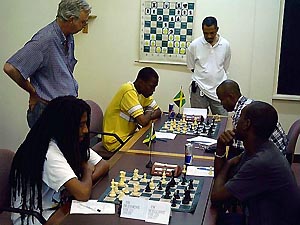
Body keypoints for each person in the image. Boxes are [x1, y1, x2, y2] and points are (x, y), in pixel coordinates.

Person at [10, 96, 109, 225]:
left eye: (85, 123)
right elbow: (83, 193)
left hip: (57, 206)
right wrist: (86, 172)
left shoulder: (68, 141)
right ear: (64, 126)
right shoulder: (48, 152)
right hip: (34, 216)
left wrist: (82, 183)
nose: (85, 130)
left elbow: (104, 165)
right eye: (80, 125)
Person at [3, 0, 91, 128]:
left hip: (64, 108)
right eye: (83, 22)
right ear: (71, 20)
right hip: (47, 110)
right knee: (48, 148)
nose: (84, 25)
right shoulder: (45, 40)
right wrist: (33, 92)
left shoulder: (68, 37)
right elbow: (10, 68)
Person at [211, 101, 300, 225]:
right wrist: (220, 148)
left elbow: (216, 197)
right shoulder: (259, 147)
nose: (236, 123)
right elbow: (225, 181)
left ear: (247, 124)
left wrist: (228, 163)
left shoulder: (261, 162)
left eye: (240, 118)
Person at [216, 79, 288, 158]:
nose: (221, 103)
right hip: (278, 153)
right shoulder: (247, 103)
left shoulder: (242, 113)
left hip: (271, 159)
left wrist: (220, 148)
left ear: (231, 96)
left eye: (221, 99)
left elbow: (240, 150)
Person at [103, 67, 162, 153]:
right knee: (147, 152)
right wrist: (149, 110)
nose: (153, 90)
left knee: (152, 145)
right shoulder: (128, 91)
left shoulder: (143, 93)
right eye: (151, 86)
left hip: (129, 136)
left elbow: (158, 111)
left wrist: (148, 114)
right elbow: (143, 121)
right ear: (141, 83)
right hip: (115, 141)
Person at [186, 16, 231, 115]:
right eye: (206, 33)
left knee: (222, 120)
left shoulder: (225, 45)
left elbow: (225, 67)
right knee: (198, 122)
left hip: (219, 90)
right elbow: (191, 67)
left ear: (217, 30)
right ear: (202, 30)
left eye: (212, 33)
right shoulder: (194, 45)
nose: (209, 36)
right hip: (199, 89)